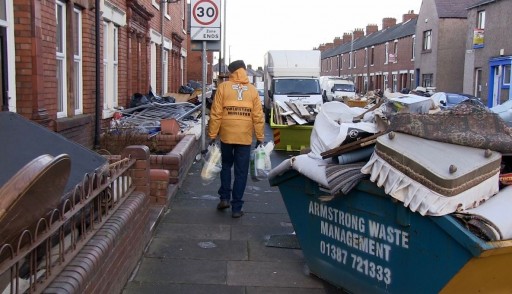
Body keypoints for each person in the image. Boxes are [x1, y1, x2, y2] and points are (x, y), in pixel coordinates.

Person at [207, 60, 265, 218]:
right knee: (241, 172)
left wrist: (212, 135)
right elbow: (258, 117)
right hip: (244, 138)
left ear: (231, 72)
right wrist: (260, 137)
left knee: (226, 166)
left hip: (226, 135)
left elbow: (216, 113)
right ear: (244, 70)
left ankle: (224, 198)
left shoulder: (223, 87)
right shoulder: (252, 91)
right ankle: (237, 208)